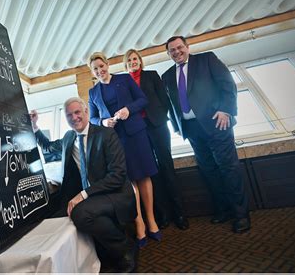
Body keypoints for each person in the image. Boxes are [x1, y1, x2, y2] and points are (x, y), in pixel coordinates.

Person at [29, 97, 138, 272]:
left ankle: (125, 248)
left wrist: (83, 194)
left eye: (77, 112)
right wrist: (35, 126)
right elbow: (49, 147)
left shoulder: (106, 134)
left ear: (86, 111)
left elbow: (117, 176)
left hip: (114, 193)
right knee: (56, 214)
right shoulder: (69, 137)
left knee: (80, 213)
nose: (74, 117)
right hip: (92, 197)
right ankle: (96, 252)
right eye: (69, 115)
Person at [162, 36, 250, 233]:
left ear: (187, 47)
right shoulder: (167, 76)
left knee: (228, 168)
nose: (177, 52)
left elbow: (228, 84)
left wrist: (226, 109)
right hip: (192, 129)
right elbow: (170, 105)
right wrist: (177, 127)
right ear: (168, 54)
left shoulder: (207, 59)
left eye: (179, 47)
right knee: (208, 170)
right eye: (172, 50)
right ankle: (223, 209)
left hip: (217, 122)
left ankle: (241, 214)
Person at [87, 52, 162, 248]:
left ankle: (151, 220)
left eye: (101, 66)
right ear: (92, 72)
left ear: (107, 64)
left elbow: (142, 100)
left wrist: (129, 109)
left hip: (136, 134)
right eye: (95, 69)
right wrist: (103, 121)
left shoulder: (124, 79)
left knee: (144, 176)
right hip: (113, 140)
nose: (100, 71)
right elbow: (93, 119)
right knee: (128, 182)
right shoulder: (92, 92)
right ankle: (139, 224)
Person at [123, 48, 189, 230]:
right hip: (138, 131)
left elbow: (164, 99)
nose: (133, 62)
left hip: (157, 126)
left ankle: (180, 213)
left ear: (140, 61)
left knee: (167, 167)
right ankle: (163, 215)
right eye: (129, 60)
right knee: (151, 173)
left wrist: (159, 117)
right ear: (125, 64)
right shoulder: (124, 82)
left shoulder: (151, 75)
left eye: (135, 59)